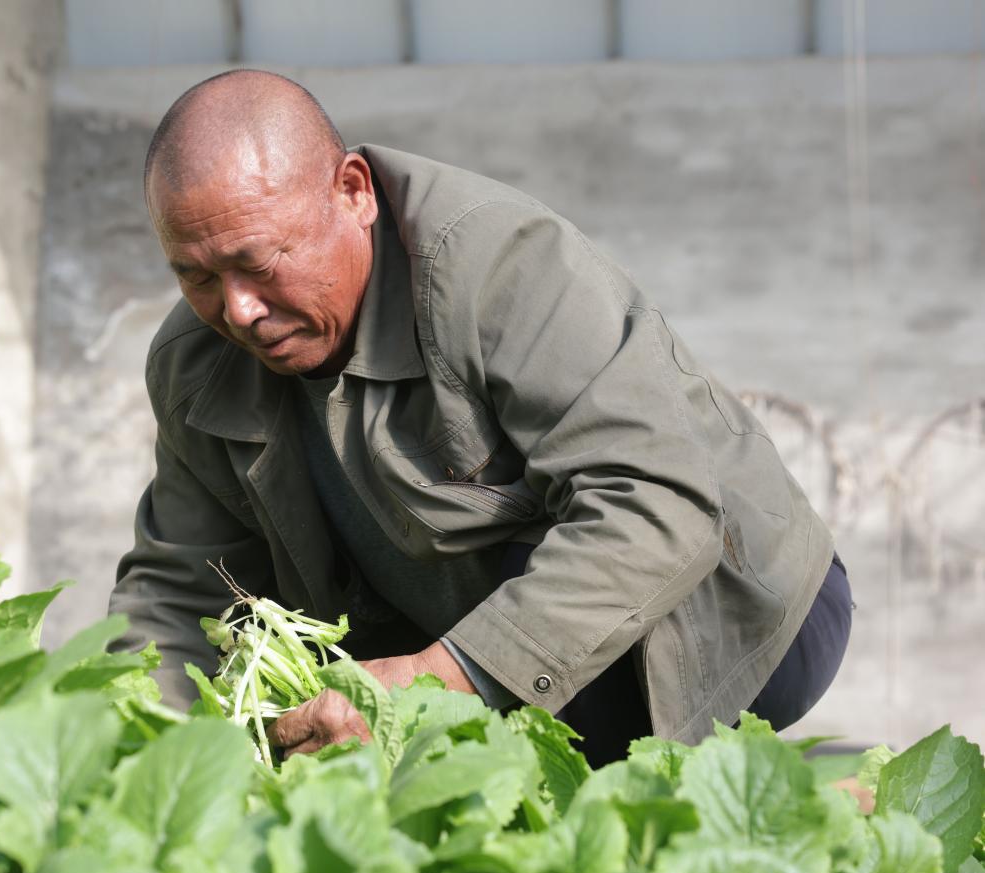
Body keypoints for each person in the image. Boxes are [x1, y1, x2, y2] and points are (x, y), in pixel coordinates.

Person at [110, 69, 852, 766]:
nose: (237, 310)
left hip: (737, 612)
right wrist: (149, 747)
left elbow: (655, 503)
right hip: (467, 638)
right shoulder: (192, 366)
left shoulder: (501, 270)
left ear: (354, 192)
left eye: (261, 260)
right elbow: (179, 588)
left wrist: (435, 682)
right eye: (197, 276)